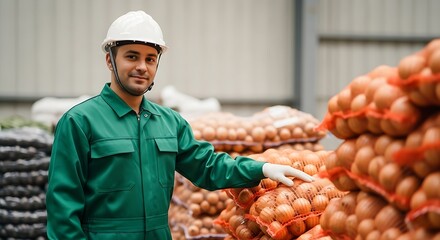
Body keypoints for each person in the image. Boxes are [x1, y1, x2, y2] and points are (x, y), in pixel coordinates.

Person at [45, 10, 313, 240]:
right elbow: (62, 211)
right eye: (131, 56)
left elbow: (208, 167)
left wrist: (262, 168)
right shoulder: (80, 122)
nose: (142, 66)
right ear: (109, 60)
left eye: (150, 59)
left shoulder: (169, 122)